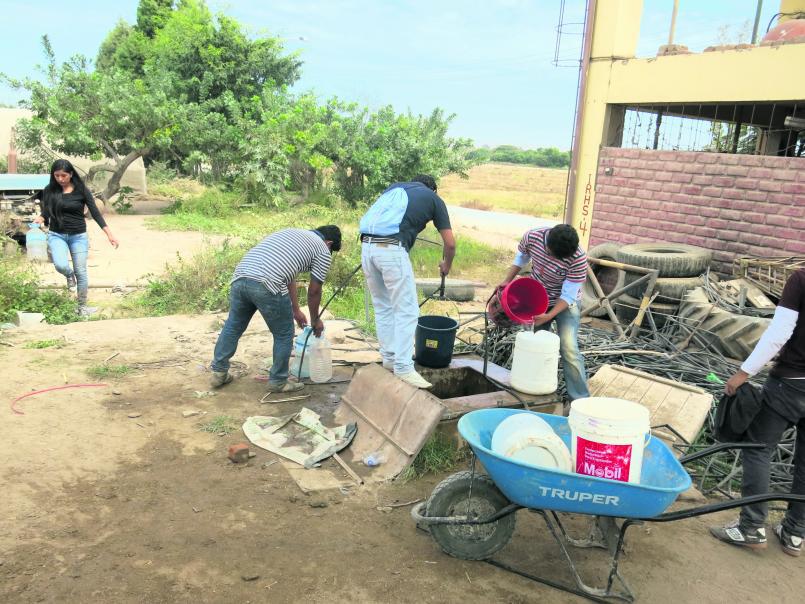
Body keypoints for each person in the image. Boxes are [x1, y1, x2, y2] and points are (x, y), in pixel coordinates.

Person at [710, 268, 805, 557]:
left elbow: (779, 332)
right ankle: (795, 534)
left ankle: (751, 527)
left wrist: (743, 373)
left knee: (758, 448)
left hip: (791, 384)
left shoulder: (801, 280)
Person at [209, 225, 341, 394]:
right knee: (284, 333)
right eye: (331, 251)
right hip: (267, 283)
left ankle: (219, 372)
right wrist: (315, 320)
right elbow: (314, 290)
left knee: (233, 326)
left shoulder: (294, 234)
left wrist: (295, 310)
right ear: (329, 243)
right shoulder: (322, 249)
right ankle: (278, 381)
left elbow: (288, 277)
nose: (328, 254)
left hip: (241, 277)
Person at [359, 174, 456, 389]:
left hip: (367, 247)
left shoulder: (394, 188)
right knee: (408, 311)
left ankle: (389, 359)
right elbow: (449, 244)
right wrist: (446, 265)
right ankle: (403, 366)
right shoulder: (434, 199)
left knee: (383, 306)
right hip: (392, 249)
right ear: (433, 190)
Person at [498, 224, 590, 401]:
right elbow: (521, 258)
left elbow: (569, 294)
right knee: (534, 344)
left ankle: (580, 399)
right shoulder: (532, 237)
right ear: (547, 245)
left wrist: (549, 315)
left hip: (566, 303)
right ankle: (532, 391)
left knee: (568, 347)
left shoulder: (578, 258)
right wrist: (506, 281)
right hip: (538, 296)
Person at [33, 159, 119, 316]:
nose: (60, 179)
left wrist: (109, 234)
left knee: (81, 271)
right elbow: (47, 211)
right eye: (57, 175)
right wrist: (41, 218)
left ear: (71, 174)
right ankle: (69, 275)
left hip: (78, 236)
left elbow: (95, 212)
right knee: (60, 265)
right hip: (56, 235)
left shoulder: (81, 190)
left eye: (63, 175)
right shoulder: (49, 190)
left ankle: (82, 307)